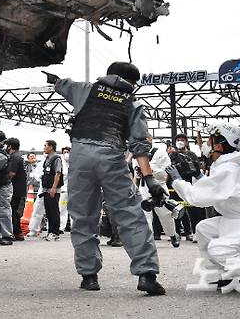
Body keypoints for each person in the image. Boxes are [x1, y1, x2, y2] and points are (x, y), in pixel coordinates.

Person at [46, 61, 165, 295]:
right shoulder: (132, 103)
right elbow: (139, 145)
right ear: (132, 82)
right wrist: (150, 179)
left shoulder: (86, 89)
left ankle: (89, 276)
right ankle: (146, 274)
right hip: (111, 157)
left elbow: (62, 84)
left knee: (83, 216)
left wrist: (54, 80)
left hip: (80, 157)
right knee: (130, 214)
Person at [167, 122, 240, 293]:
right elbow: (213, 188)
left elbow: (197, 198)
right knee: (204, 229)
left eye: (210, 141)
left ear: (220, 145)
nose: (207, 145)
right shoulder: (226, 167)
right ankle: (232, 276)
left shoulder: (228, 169)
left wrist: (177, 180)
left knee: (219, 248)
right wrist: (198, 174)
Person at [134, 137, 180, 247]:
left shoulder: (160, 153)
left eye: (146, 138)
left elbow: (166, 173)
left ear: (151, 139)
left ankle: (172, 235)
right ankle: (147, 239)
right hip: (144, 187)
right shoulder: (138, 152)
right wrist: (139, 173)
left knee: (165, 214)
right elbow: (136, 170)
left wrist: (150, 170)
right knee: (144, 213)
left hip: (159, 187)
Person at [169, 133, 204, 241]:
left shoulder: (191, 155)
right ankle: (176, 232)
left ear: (186, 142)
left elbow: (196, 169)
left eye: (182, 140)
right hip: (174, 186)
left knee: (192, 211)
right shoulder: (172, 155)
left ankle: (191, 232)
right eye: (178, 140)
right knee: (174, 210)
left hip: (188, 185)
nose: (180, 142)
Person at [41, 140, 63, 241]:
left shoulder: (56, 158)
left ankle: (55, 232)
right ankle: (50, 231)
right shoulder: (47, 158)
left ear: (51, 147)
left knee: (54, 211)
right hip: (46, 188)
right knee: (48, 211)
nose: (44, 147)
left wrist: (54, 188)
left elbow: (57, 174)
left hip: (53, 189)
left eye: (45, 146)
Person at [6, 137, 27, 241]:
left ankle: (17, 232)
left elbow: (12, 173)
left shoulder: (14, 157)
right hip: (20, 189)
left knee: (13, 211)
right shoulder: (19, 156)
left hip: (15, 189)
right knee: (15, 211)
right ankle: (17, 232)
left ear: (9, 146)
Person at [59, 147, 71, 233]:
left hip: (73, 191)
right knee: (62, 209)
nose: (66, 154)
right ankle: (61, 227)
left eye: (67, 152)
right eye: (64, 152)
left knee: (74, 210)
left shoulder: (75, 162)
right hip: (64, 191)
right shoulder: (61, 163)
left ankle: (75, 227)